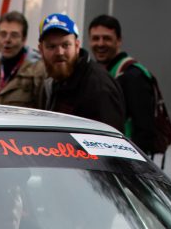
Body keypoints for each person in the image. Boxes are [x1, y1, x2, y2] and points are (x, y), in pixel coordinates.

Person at [36, 12, 124, 132]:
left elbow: (111, 144)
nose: (59, 52)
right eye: (51, 46)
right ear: (41, 50)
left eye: (66, 45)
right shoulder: (49, 81)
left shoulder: (99, 86)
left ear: (77, 46)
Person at [89, 15, 158, 155]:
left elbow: (145, 131)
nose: (100, 44)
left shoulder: (134, 76)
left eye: (107, 38)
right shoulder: (96, 73)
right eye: (95, 38)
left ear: (119, 41)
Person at [0, 11, 44, 108]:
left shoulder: (38, 70)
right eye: (3, 34)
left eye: (14, 35)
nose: (7, 40)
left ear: (24, 39)